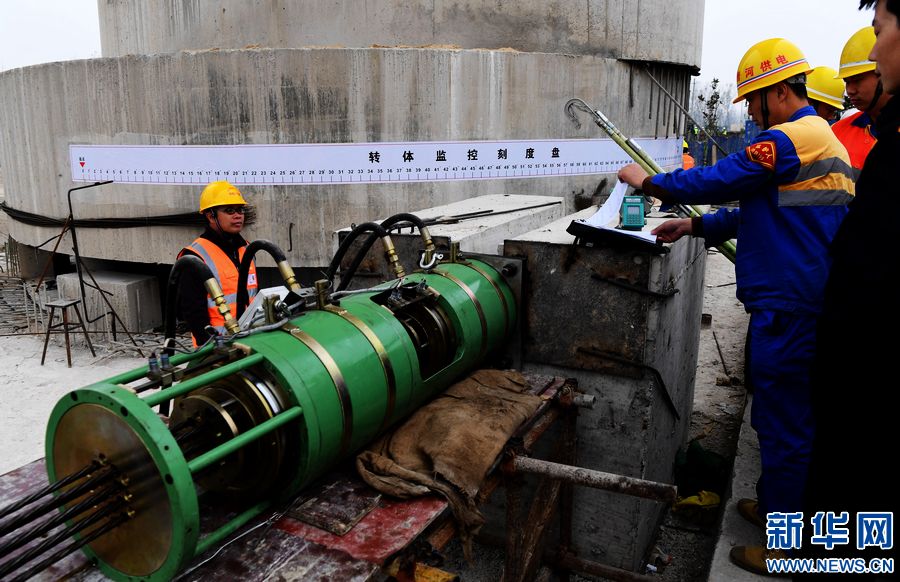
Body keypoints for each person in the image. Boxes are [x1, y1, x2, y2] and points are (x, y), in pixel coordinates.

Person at [618, 38, 854, 576]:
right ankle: (776, 513)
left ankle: (787, 548)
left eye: (752, 101)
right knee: (779, 420)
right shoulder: (819, 141)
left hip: (791, 308)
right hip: (796, 300)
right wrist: (695, 224)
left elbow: (724, 178)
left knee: (785, 426)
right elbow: (762, 210)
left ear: (776, 92)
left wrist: (652, 181)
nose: (749, 113)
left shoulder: (795, 136)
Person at [803, 0, 898, 573]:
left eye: (880, 30)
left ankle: (793, 543)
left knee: (811, 449)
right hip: (838, 327)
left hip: (862, 369)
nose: (859, 86)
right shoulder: (853, 134)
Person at [177, 180, 258, 346]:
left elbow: (254, 294)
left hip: (250, 338)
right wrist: (210, 346)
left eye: (240, 210)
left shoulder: (247, 248)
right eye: (229, 211)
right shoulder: (194, 256)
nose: (238, 216)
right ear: (210, 216)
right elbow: (192, 312)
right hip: (217, 346)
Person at [832, 26, 892, 174]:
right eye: (847, 81)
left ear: (883, 71)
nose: (850, 90)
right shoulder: (836, 132)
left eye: (857, 80)